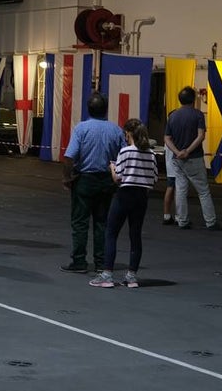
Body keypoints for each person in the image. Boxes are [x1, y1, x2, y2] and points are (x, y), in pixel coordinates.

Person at [60, 92, 125, 273]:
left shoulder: (81, 129)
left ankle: (79, 261)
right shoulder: (116, 130)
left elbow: (69, 157)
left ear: (88, 109)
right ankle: (101, 262)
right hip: (106, 181)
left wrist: (66, 178)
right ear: (106, 110)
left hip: (85, 180)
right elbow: (123, 156)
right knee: (102, 222)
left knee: (80, 222)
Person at [91, 119, 158, 289]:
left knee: (111, 233)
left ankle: (107, 275)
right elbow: (154, 178)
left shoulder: (125, 152)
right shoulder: (151, 154)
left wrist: (112, 167)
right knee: (135, 236)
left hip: (124, 195)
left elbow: (117, 178)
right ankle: (131, 276)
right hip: (142, 197)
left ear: (128, 133)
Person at [165, 86, 221, 231]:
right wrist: (187, 151)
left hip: (177, 159)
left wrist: (177, 152)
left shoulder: (173, 116)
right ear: (193, 99)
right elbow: (201, 135)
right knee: (203, 191)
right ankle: (211, 221)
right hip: (194, 158)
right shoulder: (198, 115)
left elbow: (167, 138)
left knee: (181, 189)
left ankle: (182, 220)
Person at [161, 148, 177, 226]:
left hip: (170, 166)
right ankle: (179, 216)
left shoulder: (168, 138)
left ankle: (166, 215)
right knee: (177, 190)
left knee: (170, 188)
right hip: (176, 166)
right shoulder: (174, 137)